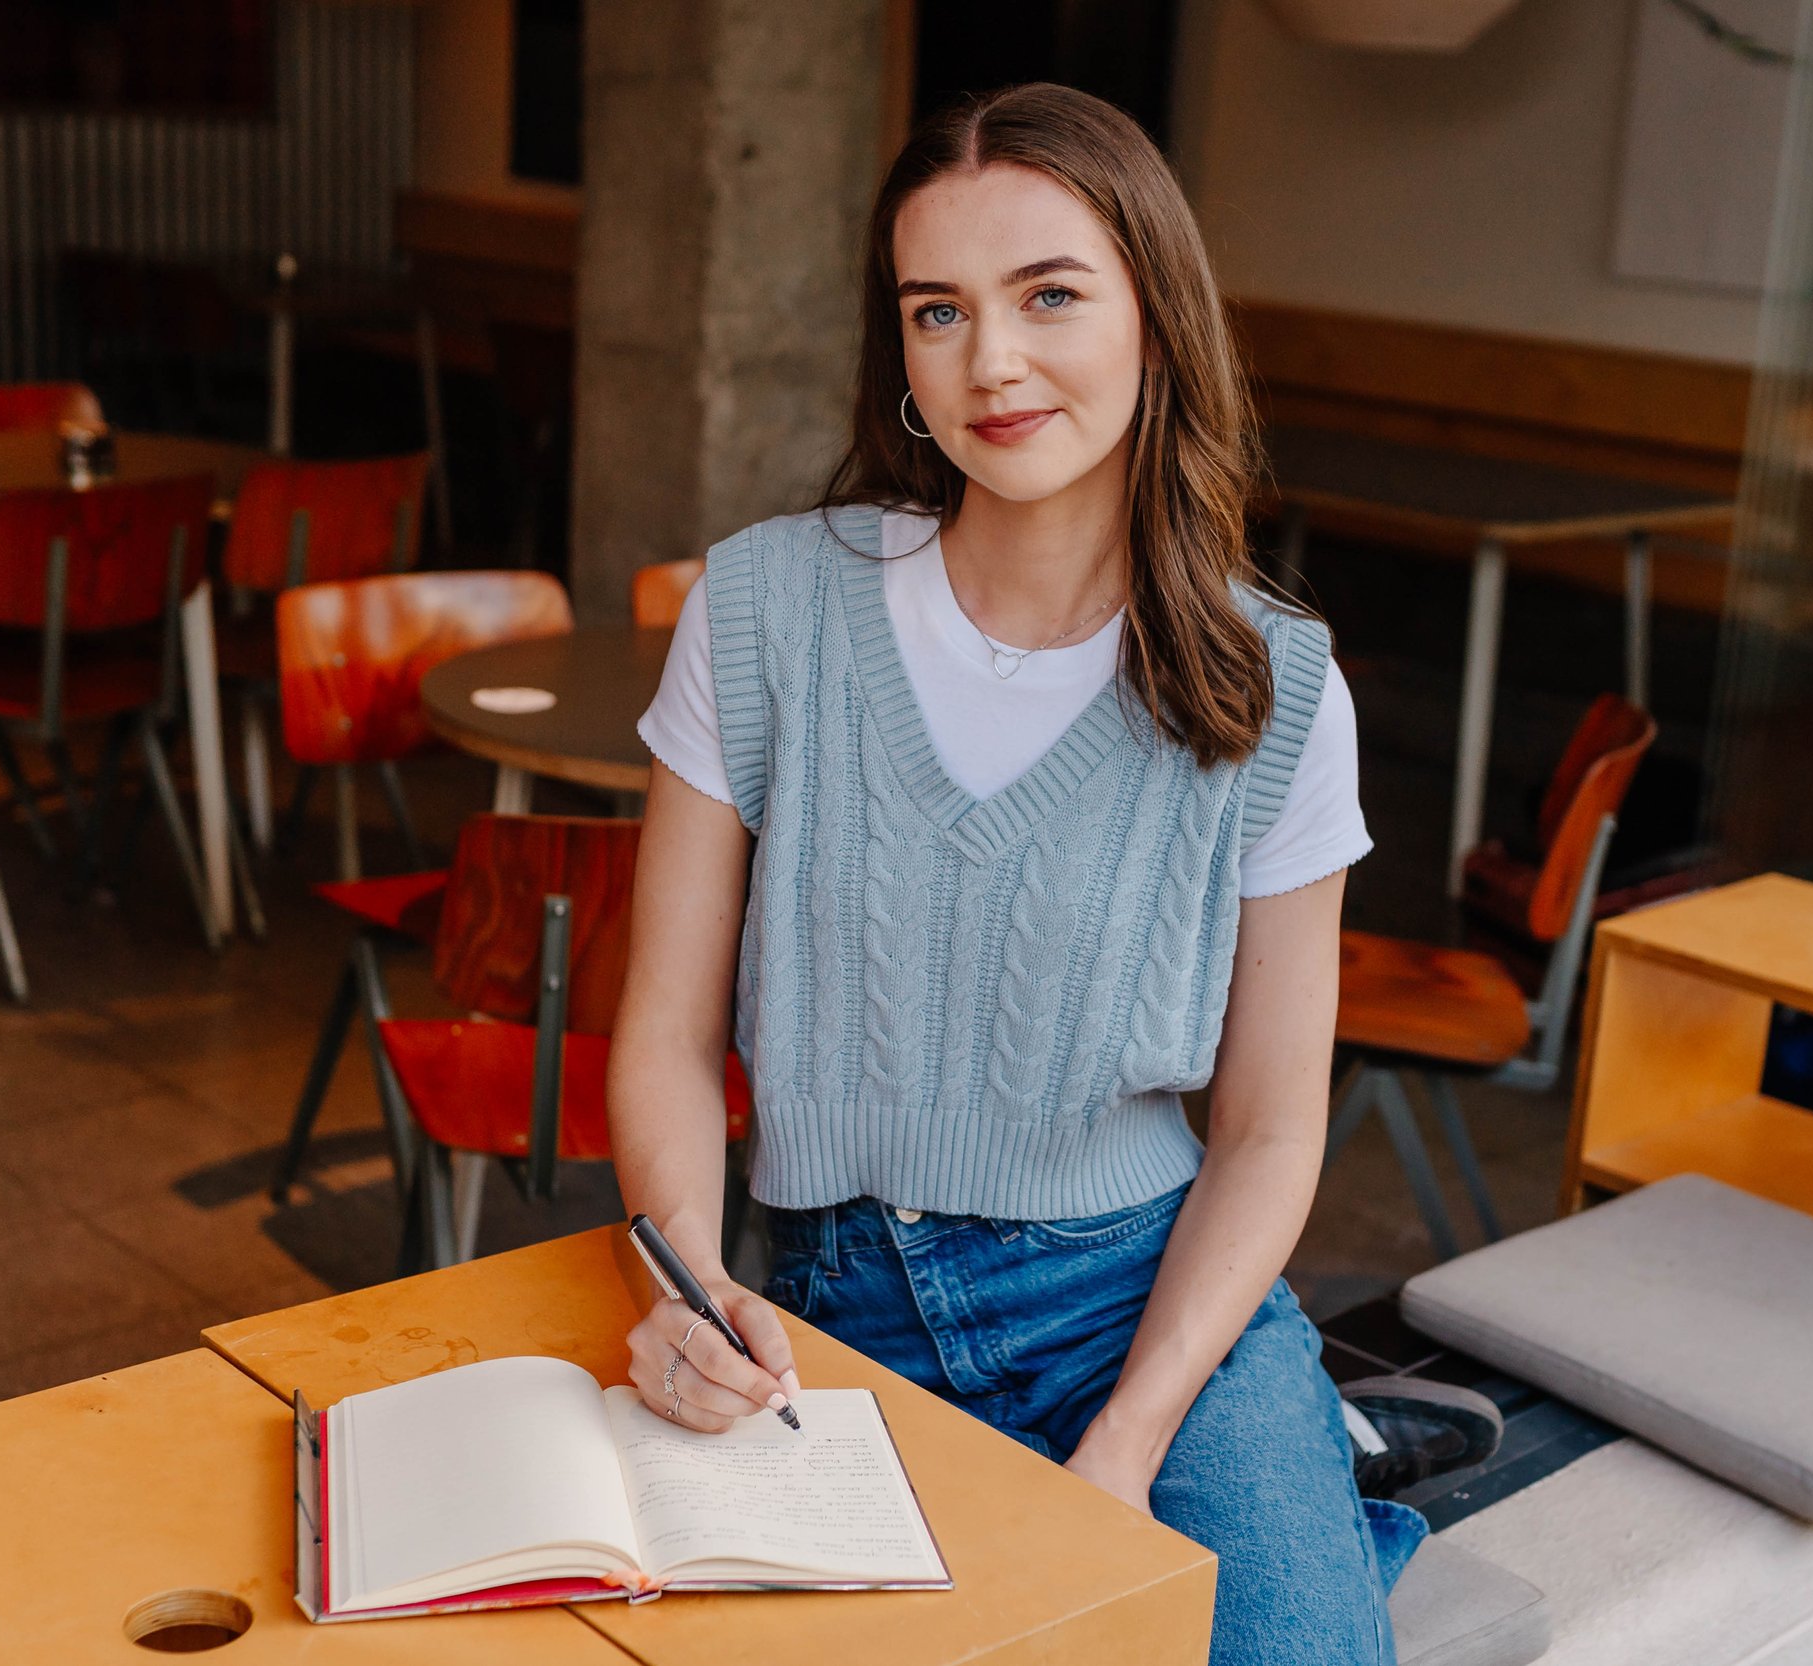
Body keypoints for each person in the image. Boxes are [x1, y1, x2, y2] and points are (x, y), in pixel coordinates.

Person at [608, 84, 1441, 1665]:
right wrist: (690, 1282)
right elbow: (663, 1025)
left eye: (1049, 295)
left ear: (1155, 315)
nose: (991, 361)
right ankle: (1347, 1477)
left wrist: (1129, 1442)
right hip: (831, 1309)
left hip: (1147, 1306)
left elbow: (1268, 1127)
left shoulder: (1278, 691)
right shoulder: (765, 610)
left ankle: (1301, 1450)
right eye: (940, 311)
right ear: (902, 355)